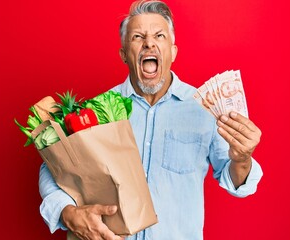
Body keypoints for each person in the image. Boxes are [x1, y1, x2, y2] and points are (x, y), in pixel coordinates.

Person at [38, 1, 263, 239]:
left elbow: (237, 182)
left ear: (173, 51)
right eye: (137, 36)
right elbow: (54, 167)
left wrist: (242, 159)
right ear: (124, 54)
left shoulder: (204, 108)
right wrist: (67, 212)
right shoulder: (98, 110)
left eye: (159, 35)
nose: (149, 43)